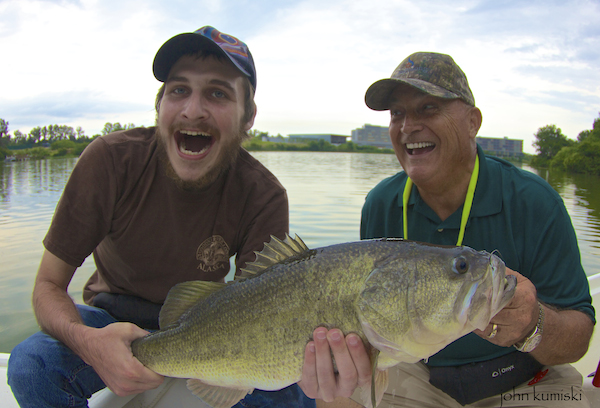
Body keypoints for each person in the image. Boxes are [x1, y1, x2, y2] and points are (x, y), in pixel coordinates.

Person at [7, 26, 313, 408]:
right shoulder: (109, 161)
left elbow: (266, 308)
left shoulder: (263, 195)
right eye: (178, 89)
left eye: (217, 93)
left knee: (295, 397)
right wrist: (89, 342)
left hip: (211, 324)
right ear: (160, 105)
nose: (192, 110)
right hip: (112, 316)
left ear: (247, 115)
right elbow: (48, 285)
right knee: (31, 366)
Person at [304, 52, 596, 408]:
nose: (408, 125)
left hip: (524, 379)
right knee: (334, 399)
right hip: (416, 373)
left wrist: (532, 323)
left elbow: (580, 339)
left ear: (472, 122)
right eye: (397, 113)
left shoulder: (535, 201)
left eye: (428, 108)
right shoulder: (381, 203)